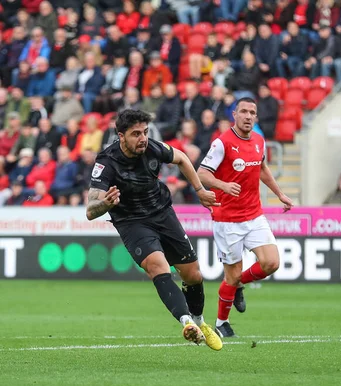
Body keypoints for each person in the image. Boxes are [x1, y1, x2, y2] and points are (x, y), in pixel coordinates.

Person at [85, 109, 223, 350]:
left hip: (163, 213)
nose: (143, 138)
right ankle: (186, 322)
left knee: (193, 275)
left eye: (145, 132)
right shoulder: (106, 162)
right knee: (158, 266)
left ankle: (200, 322)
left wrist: (199, 190)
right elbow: (90, 210)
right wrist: (105, 204)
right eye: (136, 134)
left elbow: (181, 158)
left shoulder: (152, 148)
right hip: (132, 222)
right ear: (121, 136)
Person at [197, 98, 293, 338]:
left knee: (271, 263)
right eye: (244, 112)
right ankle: (221, 323)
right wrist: (223, 185)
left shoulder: (259, 141)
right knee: (231, 275)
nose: (248, 116)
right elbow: (201, 173)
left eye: (252, 112)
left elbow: (261, 168)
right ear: (235, 115)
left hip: (254, 215)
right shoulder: (222, 143)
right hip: (227, 219)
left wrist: (280, 193)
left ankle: (239, 283)